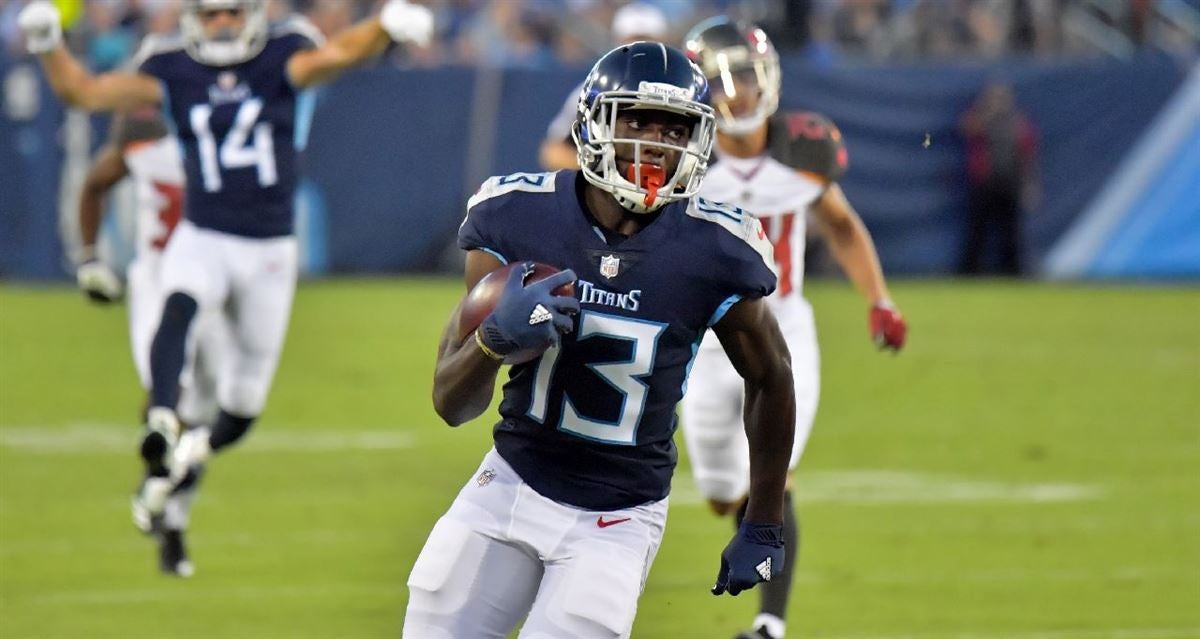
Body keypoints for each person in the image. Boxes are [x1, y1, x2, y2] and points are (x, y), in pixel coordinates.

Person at [17, 0, 434, 574]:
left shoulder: (281, 57)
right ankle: (163, 416)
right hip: (205, 229)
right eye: (211, 13)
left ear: (252, 16)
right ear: (193, 18)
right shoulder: (171, 69)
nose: (221, 24)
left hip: (268, 250)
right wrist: (47, 44)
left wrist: (383, 28)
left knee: (241, 407)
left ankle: (194, 448)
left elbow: (337, 55)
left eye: (231, 12)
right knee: (179, 301)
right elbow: (86, 93)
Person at [406, 42, 796, 638]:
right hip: (510, 482)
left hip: (618, 516)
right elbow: (449, 403)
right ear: (592, 124)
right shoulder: (515, 216)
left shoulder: (717, 250)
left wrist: (764, 521)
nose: (653, 144)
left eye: (673, 128)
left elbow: (770, 375)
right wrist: (490, 343)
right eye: (635, 121)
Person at [682, 18, 908, 639]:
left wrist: (879, 299)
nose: (737, 95)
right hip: (704, 339)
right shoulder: (684, 159)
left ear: (769, 82)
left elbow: (840, 224)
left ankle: (768, 628)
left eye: (746, 79)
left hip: (783, 329)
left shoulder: (802, 151)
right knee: (725, 495)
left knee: (772, 480)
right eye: (720, 82)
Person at [76, 106, 231, 575]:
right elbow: (95, 182)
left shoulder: (230, 134)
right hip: (161, 282)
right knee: (169, 398)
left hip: (218, 281)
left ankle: (172, 511)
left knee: (211, 413)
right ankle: (161, 491)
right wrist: (88, 258)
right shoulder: (146, 132)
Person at [538, 1, 668, 171]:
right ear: (616, 43)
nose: (639, 50)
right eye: (632, 41)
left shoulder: (682, 92)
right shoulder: (595, 88)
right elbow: (553, 153)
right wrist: (604, 171)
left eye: (647, 41)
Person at [958, 80, 1039, 276]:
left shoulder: (1018, 122)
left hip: (1009, 183)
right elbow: (966, 129)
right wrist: (988, 112)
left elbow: (1028, 154)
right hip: (984, 183)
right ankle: (970, 272)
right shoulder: (981, 118)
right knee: (977, 232)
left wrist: (1030, 184)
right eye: (994, 97)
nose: (999, 101)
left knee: (1011, 233)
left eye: (1002, 98)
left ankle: (1013, 272)